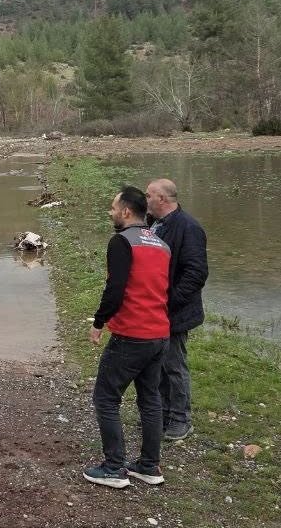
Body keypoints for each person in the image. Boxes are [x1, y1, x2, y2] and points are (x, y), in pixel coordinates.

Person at [83, 186, 171, 489]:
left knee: (106, 398)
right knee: (150, 400)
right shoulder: (161, 244)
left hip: (132, 335)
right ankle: (149, 466)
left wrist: (99, 321)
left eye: (112, 207)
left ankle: (114, 467)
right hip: (159, 333)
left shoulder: (121, 241)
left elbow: (115, 289)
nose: (110, 212)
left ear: (126, 211)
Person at [146, 178, 209, 442]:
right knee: (156, 364)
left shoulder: (189, 227)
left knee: (174, 364)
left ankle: (181, 420)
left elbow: (196, 274)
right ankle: (161, 415)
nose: (145, 199)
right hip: (154, 309)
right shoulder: (154, 224)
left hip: (174, 311)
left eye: (149, 195)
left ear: (162, 199)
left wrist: (169, 301)